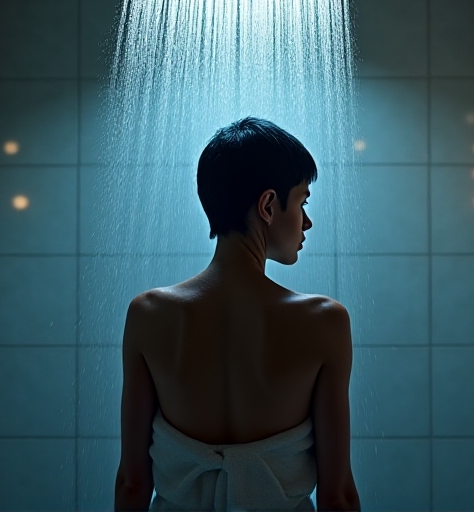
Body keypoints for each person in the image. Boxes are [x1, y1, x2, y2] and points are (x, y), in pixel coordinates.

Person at [114, 117, 360, 511]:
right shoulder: (324, 322)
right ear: (267, 205)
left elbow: (131, 483)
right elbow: (337, 494)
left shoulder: (148, 315)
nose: (307, 221)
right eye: (302, 201)